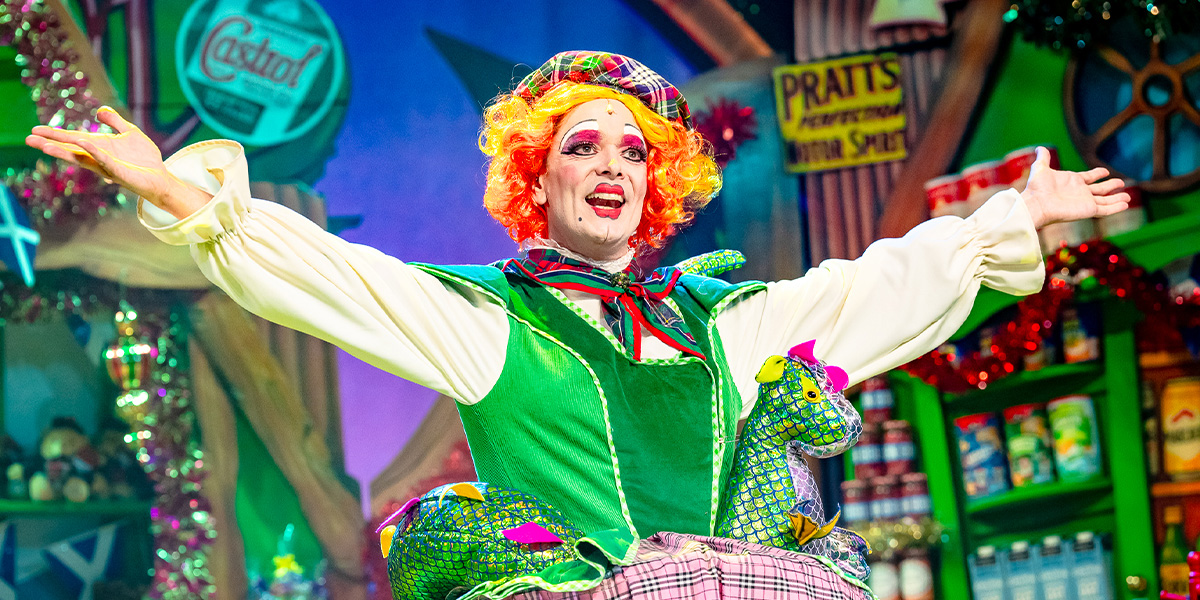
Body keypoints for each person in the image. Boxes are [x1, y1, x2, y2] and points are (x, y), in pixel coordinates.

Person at [27, 51, 1129, 599]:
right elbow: (328, 274)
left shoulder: (729, 322)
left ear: (660, 182)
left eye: (634, 150)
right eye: (582, 145)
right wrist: (179, 197)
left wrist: (1014, 213)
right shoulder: (485, 319)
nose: (611, 166)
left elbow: (880, 286)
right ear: (535, 172)